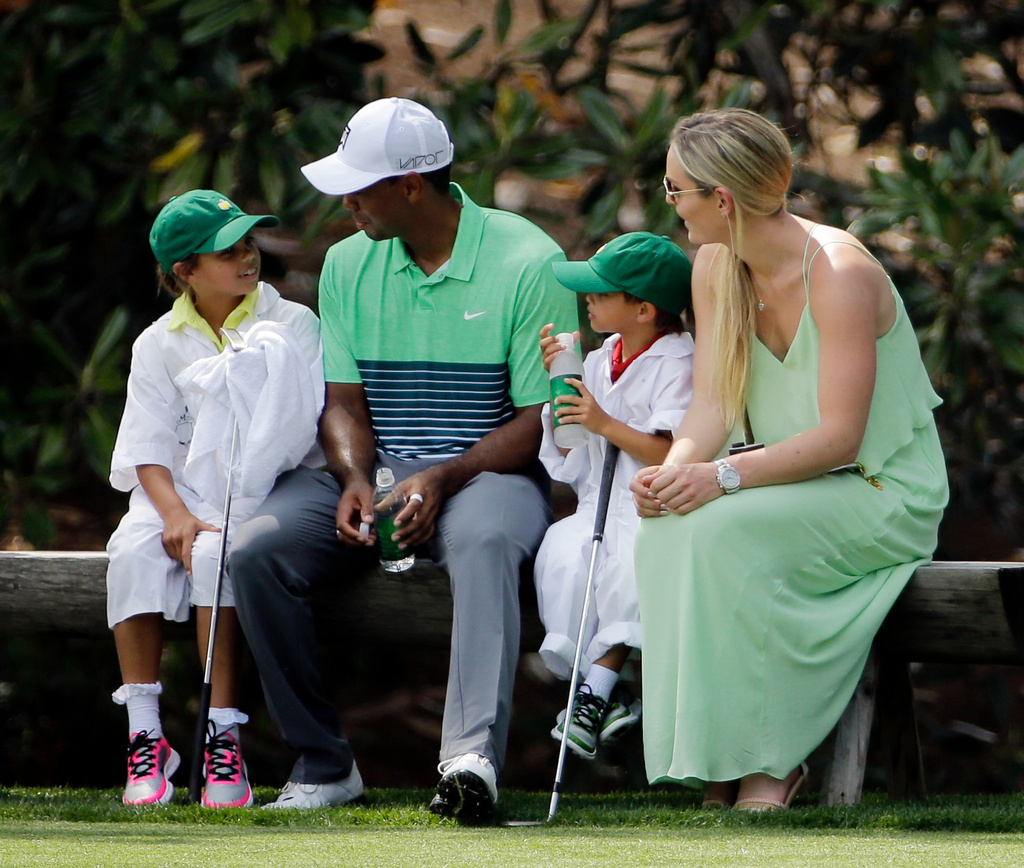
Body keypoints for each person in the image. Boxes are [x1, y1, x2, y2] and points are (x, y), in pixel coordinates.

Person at [229, 97, 577, 820]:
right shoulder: (348, 263)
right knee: (258, 551)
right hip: (374, 472)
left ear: (413, 186)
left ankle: (468, 759)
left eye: (361, 187)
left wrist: (445, 475)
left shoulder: (527, 259)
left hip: (488, 473)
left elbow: (537, 417)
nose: (346, 202)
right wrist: (356, 476)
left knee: (484, 540)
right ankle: (324, 767)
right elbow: (344, 402)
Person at [629, 108, 948, 811]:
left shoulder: (838, 271)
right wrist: (675, 469)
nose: (669, 201)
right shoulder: (713, 264)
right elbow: (713, 401)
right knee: (665, 529)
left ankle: (769, 762)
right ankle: (716, 761)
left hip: (881, 490)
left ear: (721, 200)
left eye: (675, 188)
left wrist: (720, 478)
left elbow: (841, 438)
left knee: (724, 530)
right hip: (782, 486)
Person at [106, 190, 324, 807]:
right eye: (227, 253)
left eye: (248, 245)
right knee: (131, 553)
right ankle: (145, 736)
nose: (247, 259)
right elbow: (145, 446)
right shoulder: (156, 342)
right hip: (172, 495)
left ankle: (221, 737)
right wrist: (174, 514)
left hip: (262, 492)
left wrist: (215, 516)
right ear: (185, 272)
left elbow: (294, 435)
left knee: (213, 558)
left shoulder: (292, 324)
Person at [533, 233, 694, 760]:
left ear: (645, 309)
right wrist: (561, 385)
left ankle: (595, 694)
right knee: (564, 555)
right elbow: (572, 454)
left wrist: (603, 420)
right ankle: (607, 693)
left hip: (654, 509)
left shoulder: (678, 362)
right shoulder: (600, 359)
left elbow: (670, 453)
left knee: (627, 566)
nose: (589, 301)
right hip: (596, 508)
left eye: (602, 293)